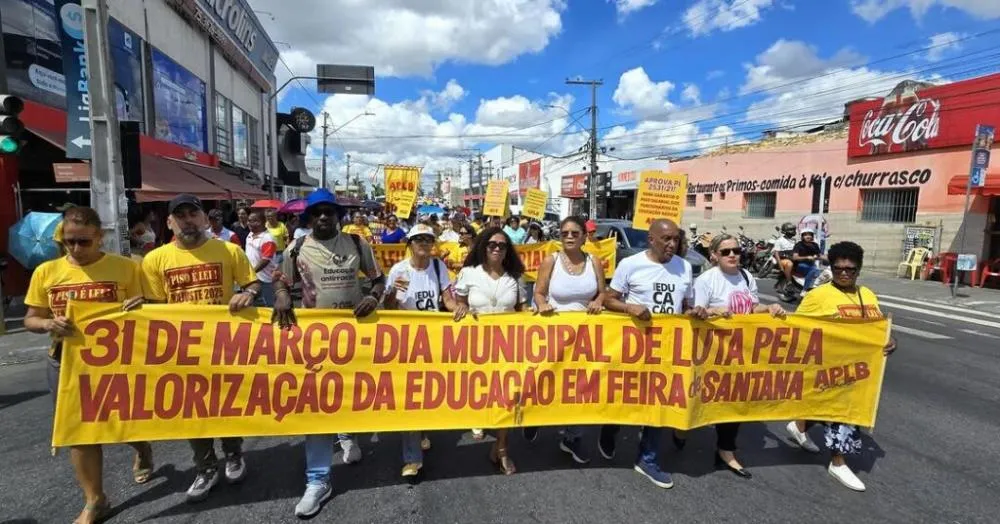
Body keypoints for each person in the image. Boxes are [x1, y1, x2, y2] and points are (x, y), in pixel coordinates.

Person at [25, 206, 154, 524]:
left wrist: (139, 307)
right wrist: (47, 325)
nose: (76, 249)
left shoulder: (126, 268)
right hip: (66, 363)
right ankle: (95, 500)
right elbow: (31, 318)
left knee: (122, 420)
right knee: (79, 432)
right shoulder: (46, 273)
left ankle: (141, 447)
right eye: (70, 242)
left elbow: (147, 312)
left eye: (84, 242)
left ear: (100, 237)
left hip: (116, 364)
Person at [271, 189, 385, 518]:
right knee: (317, 407)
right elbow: (280, 281)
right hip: (314, 342)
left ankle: (347, 432)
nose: (323, 217)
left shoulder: (357, 244)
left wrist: (374, 298)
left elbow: (379, 279)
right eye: (317, 212)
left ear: (338, 216)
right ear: (308, 218)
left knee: (351, 394)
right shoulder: (296, 248)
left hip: (353, 339)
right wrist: (281, 295)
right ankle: (318, 480)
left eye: (329, 212)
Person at [141, 194, 260, 502]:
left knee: (226, 405)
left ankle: (233, 454)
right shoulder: (155, 260)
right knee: (191, 412)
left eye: (193, 213)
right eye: (179, 216)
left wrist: (248, 294)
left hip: (222, 346)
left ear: (205, 219)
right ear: (169, 222)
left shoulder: (229, 251)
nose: (187, 220)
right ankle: (205, 467)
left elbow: (252, 284)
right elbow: (155, 306)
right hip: (180, 350)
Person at [783, 241, 896, 492]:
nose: (844, 273)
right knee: (839, 414)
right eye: (838, 268)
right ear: (831, 268)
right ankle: (838, 462)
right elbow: (798, 328)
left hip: (860, 370)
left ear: (859, 270)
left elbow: (877, 328)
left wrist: (890, 340)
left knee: (826, 409)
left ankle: (799, 425)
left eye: (851, 269)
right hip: (828, 369)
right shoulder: (818, 295)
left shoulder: (867, 295)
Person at [600, 218, 700, 489]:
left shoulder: (685, 267)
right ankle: (610, 428)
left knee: (661, 403)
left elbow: (687, 304)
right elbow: (608, 299)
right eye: (666, 239)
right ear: (651, 240)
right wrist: (629, 308)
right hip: (634, 347)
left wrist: (695, 311)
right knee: (624, 397)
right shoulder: (630, 265)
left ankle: (648, 459)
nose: (672, 244)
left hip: (668, 349)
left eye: (676, 239)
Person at [692, 234, 786, 479]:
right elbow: (697, 314)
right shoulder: (705, 281)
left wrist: (769, 309)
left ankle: (726, 451)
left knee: (734, 400)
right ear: (713, 256)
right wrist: (713, 311)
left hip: (743, 352)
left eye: (736, 250)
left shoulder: (746, 277)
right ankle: (681, 431)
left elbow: (752, 307)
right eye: (725, 252)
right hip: (715, 351)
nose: (733, 255)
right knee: (707, 398)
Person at [383, 224, 457, 480]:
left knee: (430, 391)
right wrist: (390, 297)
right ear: (410, 244)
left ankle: (424, 430)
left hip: (434, 340)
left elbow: (447, 299)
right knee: (411, 396)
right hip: (408, 341)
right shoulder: (401, 271)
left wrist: (456, 307)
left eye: (428, 239)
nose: (424, 244)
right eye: (419, 240)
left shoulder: (438, 267)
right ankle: (412, 458)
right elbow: (392, 306)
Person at [453, 227, 528, 474]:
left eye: (502, 245)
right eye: (492, 244)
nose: (497, 249)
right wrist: (461, 309)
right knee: (484, 392)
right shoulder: (468, 273)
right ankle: (482, 422)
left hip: (509, 346)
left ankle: (503, 447)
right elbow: (460, 303)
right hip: (477, 345)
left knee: (508, 397)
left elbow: (523, 310)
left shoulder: (515, 276)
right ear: (483, 246)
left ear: (508, 250)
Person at [532, 216, 607, 464]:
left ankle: (573, 436)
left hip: (585, 337)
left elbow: (602, 291)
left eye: (575, 232)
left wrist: (598, 301)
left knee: (580, 386)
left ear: (585, 236)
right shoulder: (550, 261)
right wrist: (541, 303)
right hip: (553, 335)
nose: (570, 237)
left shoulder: (594, 261)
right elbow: (539, 292)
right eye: (565, 233)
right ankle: (535, 418)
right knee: (548, 382)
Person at [245, 209, 279, 306]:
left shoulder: (268, 238)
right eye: (249, 220)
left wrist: (252, 271)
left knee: (269, 306)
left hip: (266, 280)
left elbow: (265, 260)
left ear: (262, 222)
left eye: (253, 221)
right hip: (253, 279)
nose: (249, 223)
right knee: (253, 305)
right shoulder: (250, 235)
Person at [792, 228, 826, 294]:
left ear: (812, 236)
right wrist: (807, 257)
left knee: (822, 275)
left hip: (811, 265)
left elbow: (820, 256)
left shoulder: (815, 245)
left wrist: (832, 258)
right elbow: (795, 257)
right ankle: (804, 290)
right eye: (805, 235)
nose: (808, 236)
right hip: (800, 265)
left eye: (810, 235)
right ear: (802, 236)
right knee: (814, 270)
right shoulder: (799, 245)